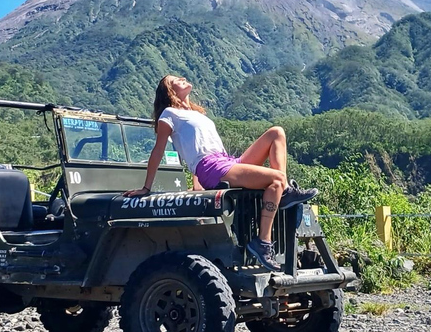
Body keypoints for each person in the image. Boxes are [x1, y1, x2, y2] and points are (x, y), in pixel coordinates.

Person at [123, 75, 318, 271]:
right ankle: (263, 241)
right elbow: (159, 151)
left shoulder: (196, 113)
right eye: (175, 79)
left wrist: (197, 186)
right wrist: (146, 187)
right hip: (210, 167)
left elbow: (193, 146)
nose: (182, 78)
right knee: (277, 178)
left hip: (225, 161)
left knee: (277, 133)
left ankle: (282, 191)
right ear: (169, 90)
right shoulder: (169, 114)